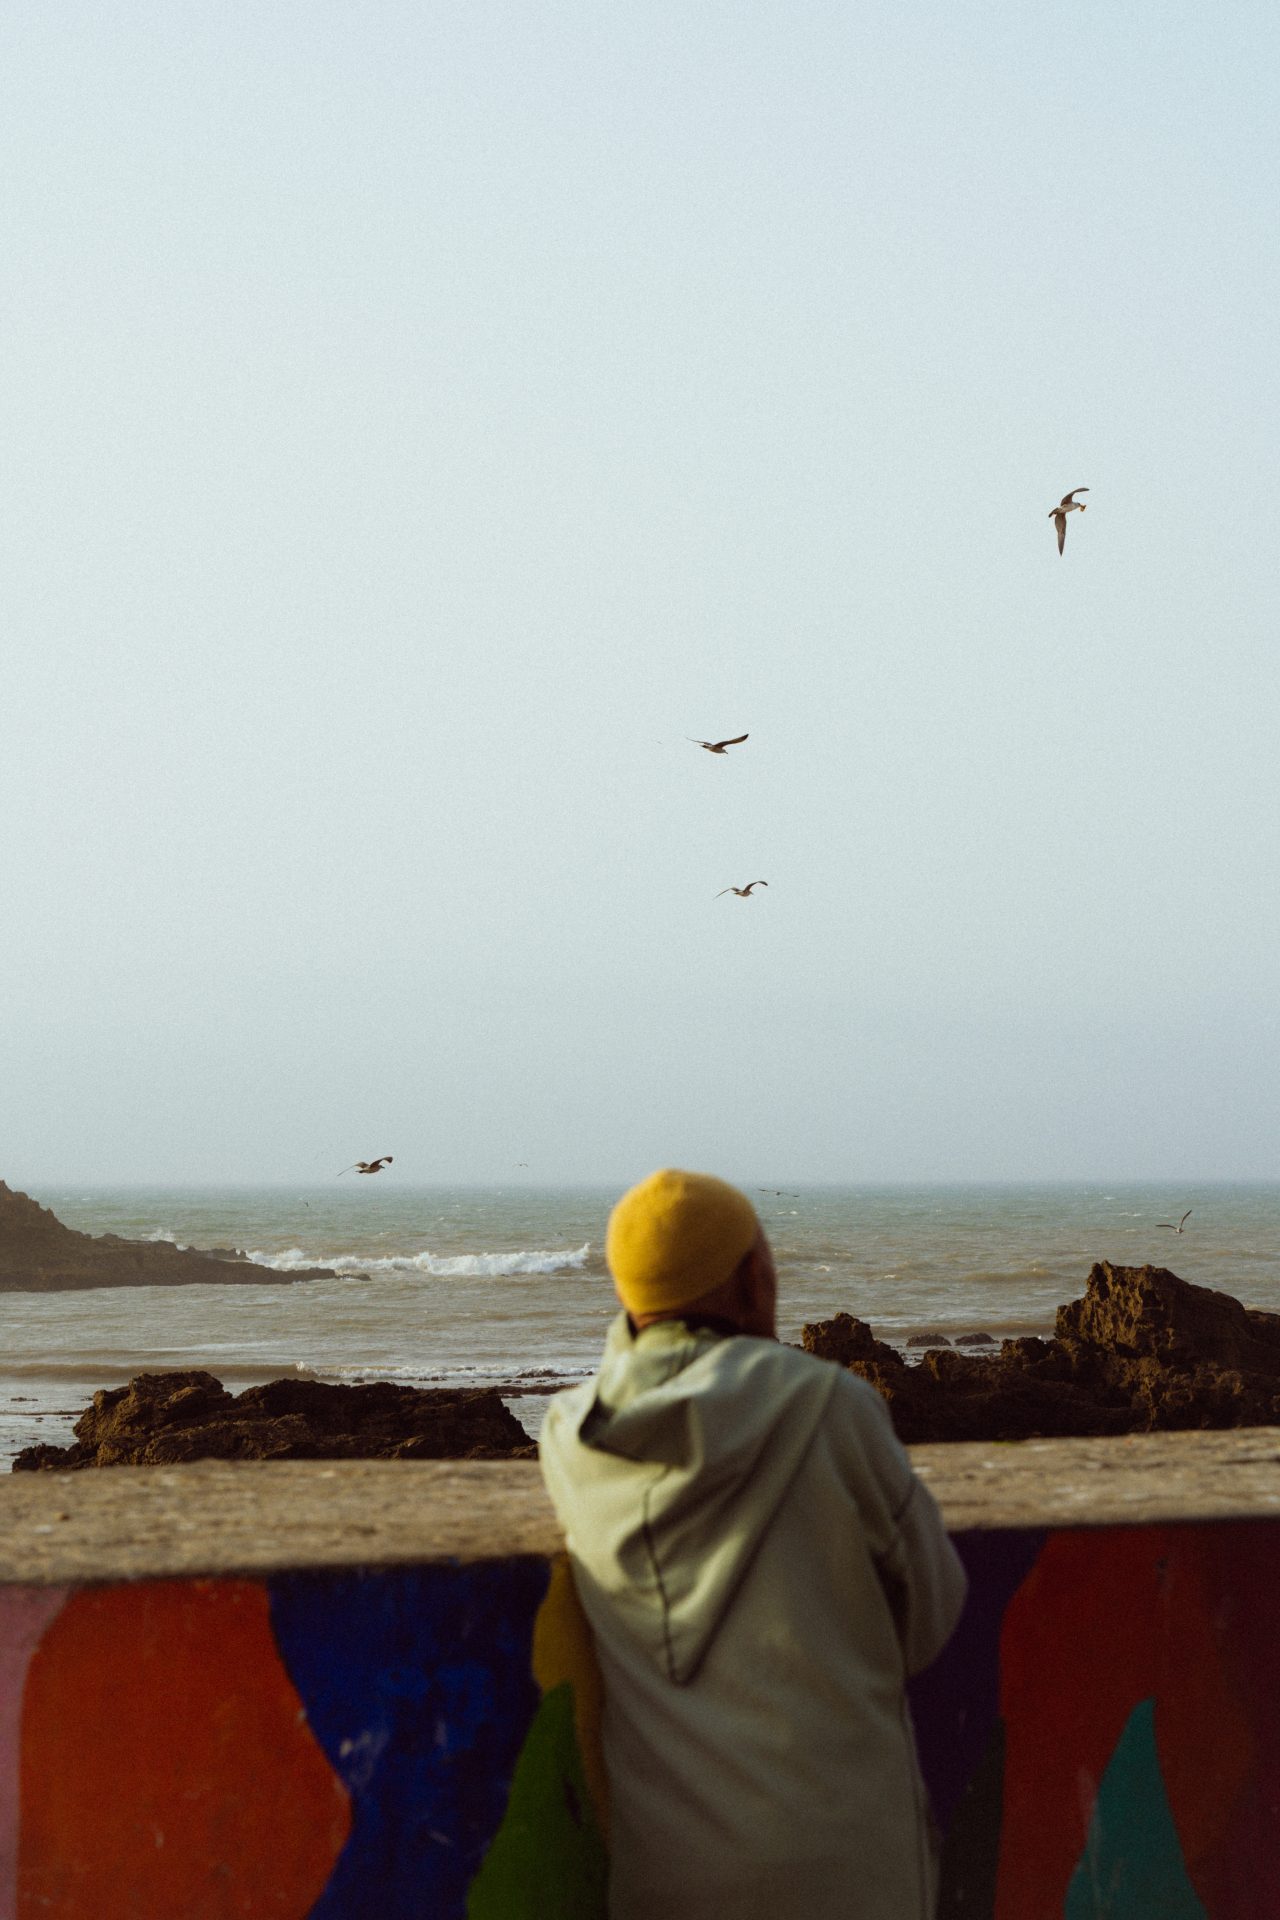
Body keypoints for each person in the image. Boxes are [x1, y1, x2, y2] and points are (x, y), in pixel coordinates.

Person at [539, 1168, 967, 1920]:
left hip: (667, 1879)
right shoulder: (831, 1407)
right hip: (849, 1867)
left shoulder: (568, 1435)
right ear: (752, 1280)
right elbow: (931, 1615)